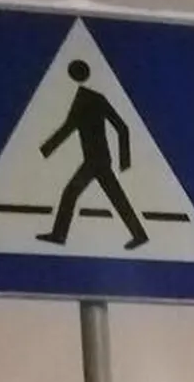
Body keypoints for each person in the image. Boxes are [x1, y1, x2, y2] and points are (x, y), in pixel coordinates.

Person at [38, 60, 149, 250]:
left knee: (71, 193)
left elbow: (69, 127)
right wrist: (123, 161)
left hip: (94, 160)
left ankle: (59, 235)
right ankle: (139, 235)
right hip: (99, 159)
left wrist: (46, 150)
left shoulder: (84, 99)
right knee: (116, 198)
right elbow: (121, 128)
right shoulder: (95, 98)